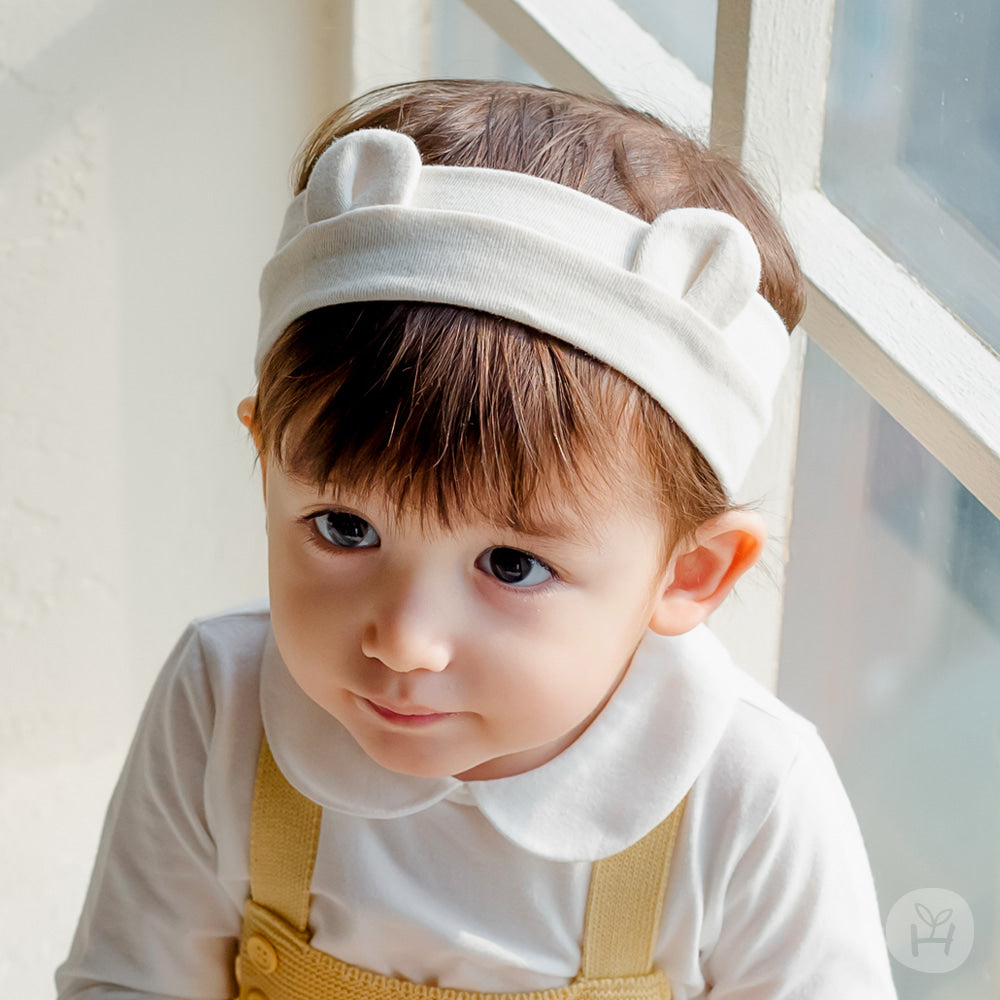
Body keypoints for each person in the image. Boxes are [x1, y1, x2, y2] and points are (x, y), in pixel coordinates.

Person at [57, 79, 897, 999]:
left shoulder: (747, 793)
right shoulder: (222, 704)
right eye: (345, 527)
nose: (404, 641)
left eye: (511, 565)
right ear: (267, 462)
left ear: (689, 571)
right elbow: (129, 981)